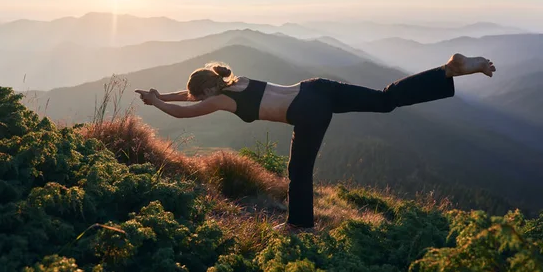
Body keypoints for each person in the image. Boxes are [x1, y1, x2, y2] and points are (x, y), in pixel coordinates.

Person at [135, 53, 496, 233]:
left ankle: (299, 225)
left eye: (200, 96)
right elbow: (189, 95)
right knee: (386, 99)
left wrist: (158, 103)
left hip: (307, 111)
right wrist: (159, 94)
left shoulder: (220, 100)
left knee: (299, 171)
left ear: (209, 90)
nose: (198, 100)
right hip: (315, 87)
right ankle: (447, 70)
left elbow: (183, 111)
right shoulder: (234, 82)